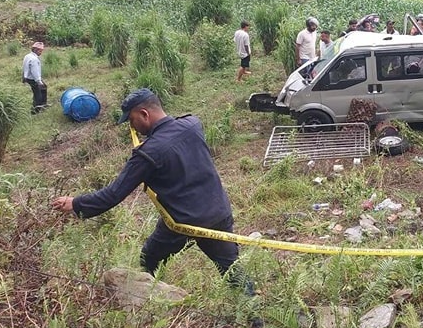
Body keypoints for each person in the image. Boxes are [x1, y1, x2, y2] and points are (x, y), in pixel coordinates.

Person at [51, 89, 251, 292]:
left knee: (149, 257)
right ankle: (255, 320)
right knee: (232, 269)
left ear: (144, 114)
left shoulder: (147, 154)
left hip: (182, 223)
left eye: (132, 120)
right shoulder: (192, 124)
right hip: (217, 212)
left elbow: (113, 194)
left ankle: (150, 300)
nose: (132, 127)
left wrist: (76, 203)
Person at [22, 41, 47, 113]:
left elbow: (24, 67)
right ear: (35, 50)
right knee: (38, 93)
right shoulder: (34, 59)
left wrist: (24, 77)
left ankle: (43, 104)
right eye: (40, 51)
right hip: (33, 78)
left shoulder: (27, 56)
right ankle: (36, 110)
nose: (41, 53)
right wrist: (39, 81)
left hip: (28, 77)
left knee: (44, 87)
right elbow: (35, 71)